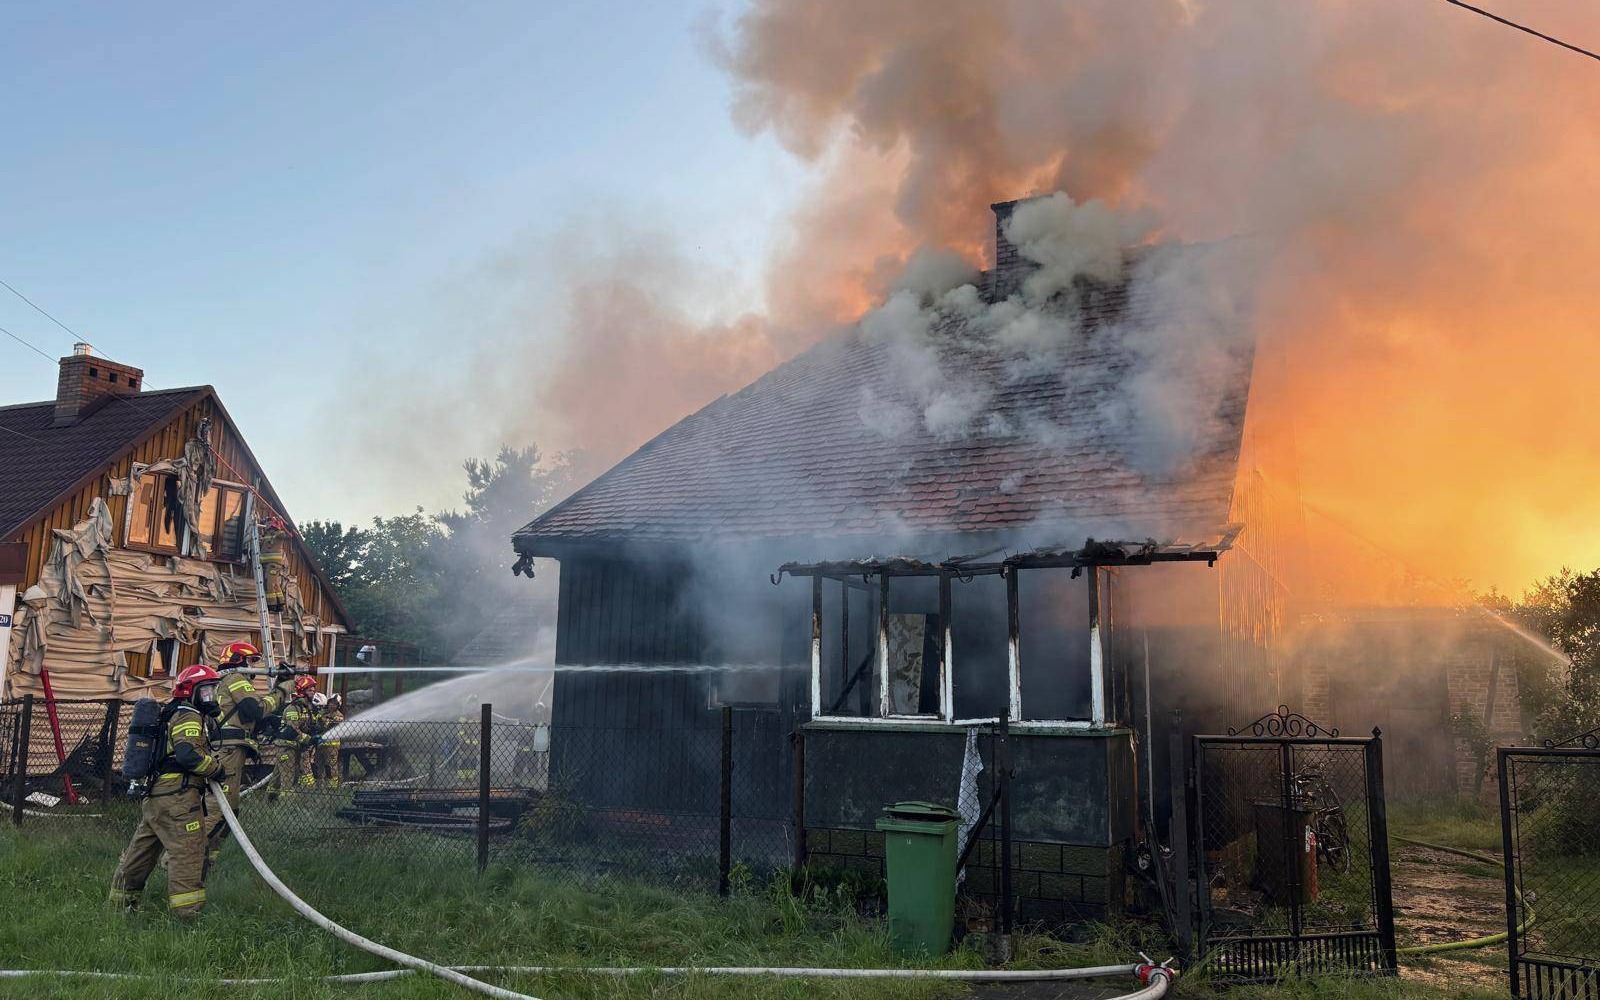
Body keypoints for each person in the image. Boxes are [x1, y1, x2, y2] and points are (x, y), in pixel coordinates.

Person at [108, 664, 226, 917]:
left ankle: (121, 904)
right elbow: (188, 755)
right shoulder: (189, 715)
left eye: (212, 692)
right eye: (206, 691)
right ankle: (187, 914)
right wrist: (216, 769)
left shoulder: (170, 713)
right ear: (191, 691)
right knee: (188, 851)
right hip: (178, 798)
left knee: (141, 851)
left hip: (157, 796)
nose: (211, 697)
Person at [206, 641, 295, 864]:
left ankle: (207, 861)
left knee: (231, 811)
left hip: (227, 750)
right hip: (227, 751)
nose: (253, 667)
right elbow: (255, 709)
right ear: (238, 660)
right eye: (251, 661)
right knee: (219, 810)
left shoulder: (219, 682)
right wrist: (282, 689)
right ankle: (179, 858)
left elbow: (246, 716)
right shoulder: (235, 679)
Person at [270, 675, 320, 796]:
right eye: (310, 690)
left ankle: (270, 799)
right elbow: (292, 730)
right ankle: (287, 802)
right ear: (302, 691)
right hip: (286, 746)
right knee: (288, 776)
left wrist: (316, 735)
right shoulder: (293, 708)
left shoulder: (308, 709)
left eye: (314, 690)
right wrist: (308, 739)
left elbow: (311, 727)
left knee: (278, 776)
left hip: (297, 745)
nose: (313, 693)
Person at [311, 693, 345, 788]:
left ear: (338, 705)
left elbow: (336, 722)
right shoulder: (323, 713)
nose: (331, 705)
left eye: (334, 703)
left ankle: (332, 786)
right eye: (330, 702)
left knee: (330, 766)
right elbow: (318, 725)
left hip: (332, 746)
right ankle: (319, 785)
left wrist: (328, 720)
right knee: (318, 765)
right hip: (320, 745)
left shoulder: (339, 716)